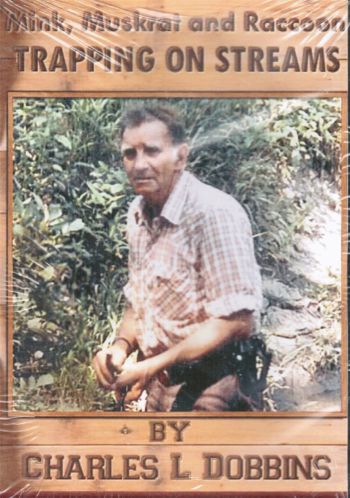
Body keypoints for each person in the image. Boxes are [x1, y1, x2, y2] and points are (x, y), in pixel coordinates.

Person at [93, 104, 266, 412]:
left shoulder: (214, 213)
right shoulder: (138, 212)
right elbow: (141, 302)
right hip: (163, 380)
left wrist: (149, 366)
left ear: (180, 157)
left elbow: (238, 321)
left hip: (217, 386)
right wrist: (121, 347)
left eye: (152, 151)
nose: (139, 164)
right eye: (130, 153)